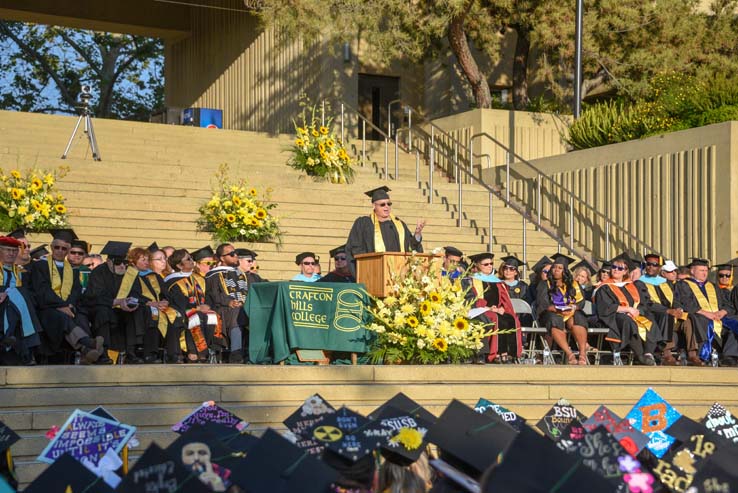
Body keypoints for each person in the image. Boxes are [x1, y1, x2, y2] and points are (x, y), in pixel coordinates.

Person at [30, 229, 103, 364]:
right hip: (46, 308)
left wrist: (69, 304)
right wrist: (60, 305)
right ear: (51, 247)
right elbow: (42, 290)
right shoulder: (40, 266)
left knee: (80, 316)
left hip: (67, 307)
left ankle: (86, 351)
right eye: (56, 247)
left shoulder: (72, 270)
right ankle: (87, 343)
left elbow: (76, 291)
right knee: (62, 316)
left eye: (64, 248)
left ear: (67, 250)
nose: (60, 251)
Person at [84, 241, 151, 364]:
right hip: (102, 307)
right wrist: (116, 302)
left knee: (137, 310)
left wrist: (130, 302)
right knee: (102, 312)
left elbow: (137, 293)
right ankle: (102, 353)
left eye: (125, 263)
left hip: (123, 308)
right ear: (109, 262)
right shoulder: (99, 272)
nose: (122, 266)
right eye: (118, 263)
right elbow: (94, 296)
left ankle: (131, 353)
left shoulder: (130, 273)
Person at [594, 253, 659, 366]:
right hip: (613, 316)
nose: (616, 270)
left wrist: (637, 311)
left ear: (625, 272)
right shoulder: (604, 287)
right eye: (614, 267)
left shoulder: (632, 286)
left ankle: (648, 353)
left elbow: (643, 304)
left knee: (649, 319)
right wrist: (627, 309)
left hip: (633, 314)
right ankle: (639, 355)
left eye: (620, 268)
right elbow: (605, 307)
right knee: (627, 321)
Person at [346, 186, 425, 274]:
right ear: (373, 206)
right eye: (382, 204)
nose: (386, 207)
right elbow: (355, 248)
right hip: (374, 272)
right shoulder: (363, 224)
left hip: (399, 272)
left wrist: (417, 234)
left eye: (389, 204)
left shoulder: (399, 225)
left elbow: (411, 247)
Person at [165, 249, 226, 363]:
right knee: (195, 316)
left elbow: (208, 294)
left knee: (212, 316)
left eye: (191, 258)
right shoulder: (172, 281)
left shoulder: (199, 278)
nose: (192, 260)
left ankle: (207, 350)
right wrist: (197, 308)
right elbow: (178, 300)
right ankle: (193, 352)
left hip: (200, 308)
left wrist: (207, 305)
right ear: (179, 265)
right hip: (182, 309)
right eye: (188, 259)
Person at [674, 258, 738, 367]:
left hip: (718, 316)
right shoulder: (683, 285)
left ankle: (730, 356)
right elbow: (686, 303)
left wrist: (723, 311)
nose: (704, 273)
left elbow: (728, 304)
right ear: (692, 271)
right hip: (700, 315)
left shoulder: (713, 286)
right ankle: (704, 354)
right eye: (701, 270)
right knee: (701, 320)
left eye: (706, 271)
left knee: (736, 321)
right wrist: (705, 313)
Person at [464, 252, 521, 364]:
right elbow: (472, 300)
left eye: (491, 263)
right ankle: (494, 354)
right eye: (486, 264)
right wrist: (488, 308)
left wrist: (503, 308)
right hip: (480, 310)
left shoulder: (497, 282)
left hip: (496, 309)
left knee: (509, 318)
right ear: (477, 266)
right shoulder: (470, 280)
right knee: (494, 317)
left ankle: (508, 353)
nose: (490, 266)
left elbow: (504, 300)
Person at [129, 247, 183, 363]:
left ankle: (173, 353)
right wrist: (150, 303)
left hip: (158, 306)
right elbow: (131, 295)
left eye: (147, 260)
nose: (146, 262)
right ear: (133, 261)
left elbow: (165, 293)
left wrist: (165, 301)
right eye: (142, 260)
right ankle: (150, 354)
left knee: (174, 314)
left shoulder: (155, 276)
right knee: (153, 314)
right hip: (142, 307)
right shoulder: (129, 276)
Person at [535, 254, 589, 365]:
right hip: (551, 314)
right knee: (554, 319)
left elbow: (581, 302)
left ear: (565, 271)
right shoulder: (544, 284)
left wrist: (574, 307)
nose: (556, 270)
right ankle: (569, 354)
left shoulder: (573, 284)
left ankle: (582, 354)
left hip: (569, 313)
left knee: (579, 316)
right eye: (554, 267)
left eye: (560, 268)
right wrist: (556, 309)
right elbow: (543, 304)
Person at [0, 236, 41, 365]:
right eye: (7, 250)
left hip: (12, 307)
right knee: (18, 296)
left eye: (14, 251)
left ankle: (7, 338)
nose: (11, 253)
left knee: (17, 296)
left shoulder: (21, 272)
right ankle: (26, 351)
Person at [205, 243, 249, 363]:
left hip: (242, 306)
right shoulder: (213, 275)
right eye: (231, 254)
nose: (236, 256)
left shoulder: (242, 274)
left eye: (236, 253)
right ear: (222, 258)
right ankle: (236, 353)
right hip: (222, 308)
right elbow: (213, 295)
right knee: (237, 312)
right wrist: (229, 302)